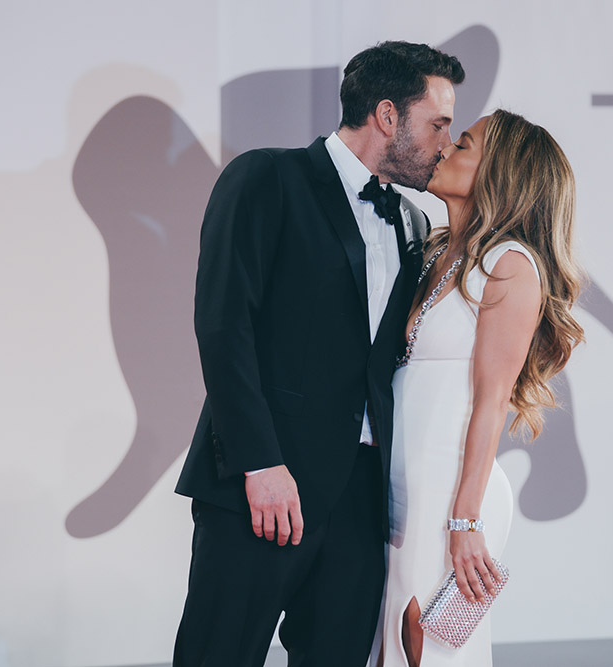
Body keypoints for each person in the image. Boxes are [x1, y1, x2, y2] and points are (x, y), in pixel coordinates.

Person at [173, 42, 465, 666]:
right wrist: (259, 463)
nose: (447, 140)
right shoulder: (266, 177)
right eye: (438, 123)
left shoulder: (413, 225)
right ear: (388, 115)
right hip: (263, 486)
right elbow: (224, 326)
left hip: (361, 502)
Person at [378, 109, 585, 666]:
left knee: (427, 648)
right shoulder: (436, 254)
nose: (445, 148)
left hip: (454, 493)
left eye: (464, 143)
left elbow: (491, 399)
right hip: (406, 487)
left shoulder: (509, 265)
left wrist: (465, 519)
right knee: (392, 643)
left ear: (500, 174)